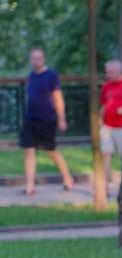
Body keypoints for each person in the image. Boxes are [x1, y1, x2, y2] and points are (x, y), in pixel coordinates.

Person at [19, 47, 74, 196]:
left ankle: (68, 179)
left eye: (39, 58)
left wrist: (61, 118)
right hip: (31, 119)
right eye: (34, 58)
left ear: (43, 59)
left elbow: (58, 97)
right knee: (28, 151)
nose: (36, 61)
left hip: (47, 119)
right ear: (30, 60)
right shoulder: (31, 76)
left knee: (51, 151)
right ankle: (29, 187)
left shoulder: (51, 75)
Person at [99, 60, 122, 191]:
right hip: (107, 126)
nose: (107, 74)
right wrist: (100, 118)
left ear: (119, 71)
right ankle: (107, 184)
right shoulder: (106, 86)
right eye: (107, 72)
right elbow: (104, 104)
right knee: (106, 153)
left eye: (110, 72)